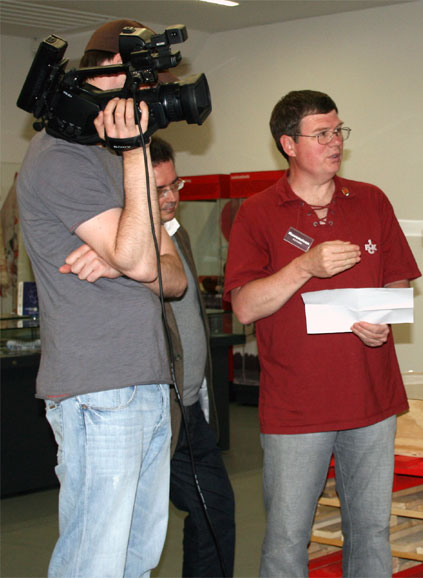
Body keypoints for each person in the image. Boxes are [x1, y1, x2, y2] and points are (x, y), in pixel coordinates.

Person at [223, 90, 420, 577]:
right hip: (297, 406)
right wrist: (305, 266)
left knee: (371, 531)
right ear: (288, 144)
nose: (335, 143)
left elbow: (396, 278)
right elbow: (245, 306)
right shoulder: (258, 212)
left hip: (371, 398)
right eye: (322, 134)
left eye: (339, 131)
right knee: (289, 537)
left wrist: (383, 320)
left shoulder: (371, 200)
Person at [15, 19, 187, 577]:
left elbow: (173, 277)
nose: (152, 96)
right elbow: (144, 261)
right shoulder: (60, 157)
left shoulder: (111, 158)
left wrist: (122, 255)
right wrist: (128, 256)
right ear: (111, 72)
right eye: (145, 81)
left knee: (136, 559)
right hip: (99, 390)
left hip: (142, 382)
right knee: (97, 561)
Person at [149, 136, 237, 577]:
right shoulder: (124, 244)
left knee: (215, 513)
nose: (172, 198)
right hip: (153, 412)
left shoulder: (175, 232)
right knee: (135, 531)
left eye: (175, 185)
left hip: (188, 412)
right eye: (159, 190)